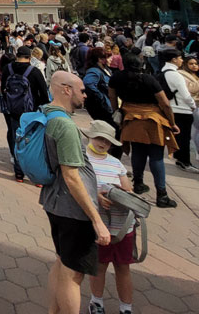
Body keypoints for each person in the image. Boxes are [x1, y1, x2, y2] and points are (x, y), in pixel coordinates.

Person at [39, 72, 111, 314]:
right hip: (73, 209)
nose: (85, 94)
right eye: (81, 90)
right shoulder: (66, 125)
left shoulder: (46, 112)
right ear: (66, 90)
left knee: (61, 263)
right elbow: (72, 176)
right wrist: (96, 219)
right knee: (73, 274)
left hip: (55, 201)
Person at [108, 54, 178, 207]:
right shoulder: (149, 79)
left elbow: (112, 97)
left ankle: (138, 183)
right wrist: (172, 123)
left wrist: (117, 112)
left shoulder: (116, 78)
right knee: (156, 156)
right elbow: (165, 104)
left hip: (130, 118)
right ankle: (162, 195)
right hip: (153, 119)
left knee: (138, 151)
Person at [82, 120, 136, 314]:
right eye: (99, 138)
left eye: (107, 141)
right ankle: (96, 302)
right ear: (90, 136)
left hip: (121, 224)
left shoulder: (116, 163)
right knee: (100, 265)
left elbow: (128, 189)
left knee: (123, 267)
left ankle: (126, 307)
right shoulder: (83, 159)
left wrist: (122, 194)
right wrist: (96, 196)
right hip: (98, 223)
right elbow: (79, 188)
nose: (103, 143)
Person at [0, 46, 49, 182]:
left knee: (17, 140)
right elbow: (44, 93)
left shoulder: (7, 69)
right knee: (35, 142)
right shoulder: (34, 71)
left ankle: (19, 173)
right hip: (31, 111)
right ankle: (35, 173)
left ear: (17, 55)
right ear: (30, 57)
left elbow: (3, 88)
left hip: (13, 110)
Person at [160, 48, 199, 175]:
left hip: (171, 108)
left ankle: (179, 158)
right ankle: (184, 162)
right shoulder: (176, 75)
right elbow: (186, 95)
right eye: (180, 58)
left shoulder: (163, 71)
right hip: (182, 109)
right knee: (184, 138)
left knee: (177, 136)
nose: (182, 60)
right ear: (173, 59)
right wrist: (193, 106)